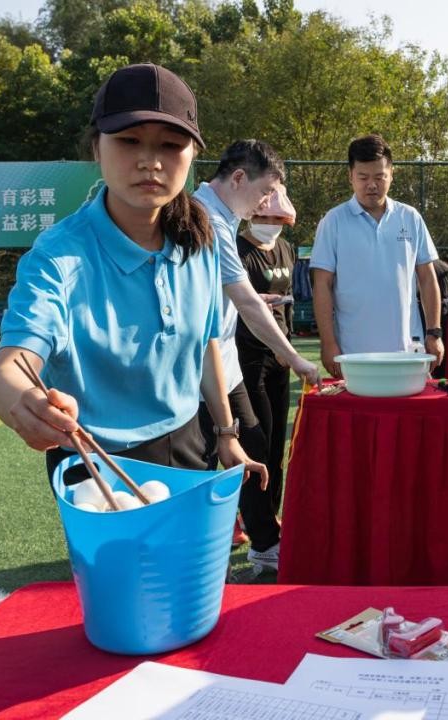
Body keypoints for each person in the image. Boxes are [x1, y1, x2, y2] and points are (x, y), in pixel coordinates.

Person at [0, 63, 266, 489]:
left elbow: (207, 344)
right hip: (94, 461)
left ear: (192, 155)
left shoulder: (200, 240)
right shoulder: (57, 258)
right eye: (129, 140)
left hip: (191, 440)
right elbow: (9, 371)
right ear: (96, 148)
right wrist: (25, 403)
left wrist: (227, 434)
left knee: (198, 538)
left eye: (171, 145)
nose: (150, 161)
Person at [193, 141, 319, 573]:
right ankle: (206, 557)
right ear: (238, 178)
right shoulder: (206, 220)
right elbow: (247, 302)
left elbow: (239, 302)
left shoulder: (221, 218)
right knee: (206, 459)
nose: (267, 204)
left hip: (223, 364)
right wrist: (295, 357)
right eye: (265, 192)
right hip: (198, 369)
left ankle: (262, 541)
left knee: (251, 446)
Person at [311, 134, 444, 378]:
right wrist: (328, 343)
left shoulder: (410, 217)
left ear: (391, 174)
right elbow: (322, 285)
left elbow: (427, 278)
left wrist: (434, 333)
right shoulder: (333, 221)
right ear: (350, 176)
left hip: (407, 351)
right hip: (353, 353)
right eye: (363, 177)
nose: (371, 185)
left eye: (379, 177)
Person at [234, 191, 303, 564]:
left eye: (279, 220)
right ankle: (261, 538)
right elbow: (237, 305)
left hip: (281, 356)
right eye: (265, 218)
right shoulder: (237, 250)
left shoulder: (287, 250)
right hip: (247, 357)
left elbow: (287, 299)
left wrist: (287, 348)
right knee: (255, 445)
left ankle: (268, 522)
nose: (271, 225)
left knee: (276, 447)